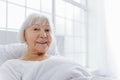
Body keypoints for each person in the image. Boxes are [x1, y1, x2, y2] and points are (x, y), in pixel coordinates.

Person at [0, 13, 92, 80]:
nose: (44, 35)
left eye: (47, 30)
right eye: (36, 29)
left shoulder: (61, 61)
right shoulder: (11, 66)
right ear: (24, 35)